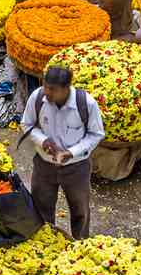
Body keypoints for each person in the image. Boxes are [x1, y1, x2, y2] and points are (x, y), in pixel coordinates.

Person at [19, 65, 104, 239]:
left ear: (66, 88)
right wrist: (43, 140)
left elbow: (96, 134)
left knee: (80, 209)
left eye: (52, 89)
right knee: (41, 206)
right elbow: (26, 124)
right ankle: (46, 241)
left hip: (76, 167)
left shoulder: (85, 103)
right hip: (44, 165)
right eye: (45, 86)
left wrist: (71, 152)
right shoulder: (38, 98)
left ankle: (81, 243)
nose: (47, 92)